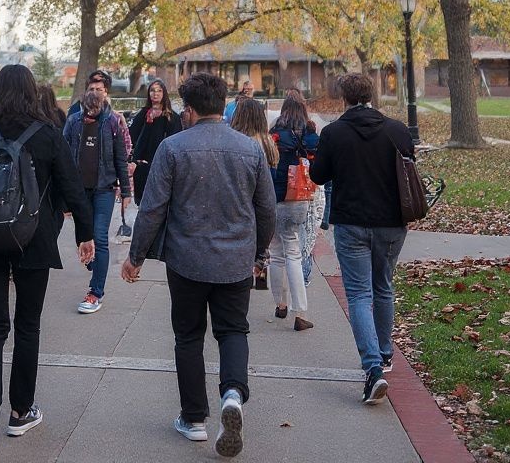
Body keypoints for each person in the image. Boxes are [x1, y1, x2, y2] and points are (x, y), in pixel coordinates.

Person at [120, 73, 276, 459]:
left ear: (188, 109)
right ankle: (233, 394)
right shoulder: (250, 149)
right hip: (236, 258)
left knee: (188, 337)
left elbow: (153, 208)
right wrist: (258, 253)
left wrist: (135, 256)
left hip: (187, 259)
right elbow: (266, 209)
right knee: (233, 330)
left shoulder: (173, 148)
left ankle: (193, 418)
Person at [0, 64, 95, 458]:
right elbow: (72, 187)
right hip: (33, 240)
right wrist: (85, 234)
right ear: (32, 91)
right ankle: (20, 410)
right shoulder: (47, 134)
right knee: (27, 326)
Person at [309, 72, 414, 406]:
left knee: (358, 293)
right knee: (383, 287)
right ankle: (384, 354)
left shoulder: (334, 133)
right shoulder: (397, 130)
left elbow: (318, 175)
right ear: (372, 95)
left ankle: (372, 368)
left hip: (352, 222)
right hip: (391, 222)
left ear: (344, 97)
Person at [63, 88, 132, 314]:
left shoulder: (112, 123)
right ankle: (93, 262)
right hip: (79, 190)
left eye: (94, 112)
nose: (89, 116)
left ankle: (95, 293)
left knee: (100, 238)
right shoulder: (73, 122)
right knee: (84, 237)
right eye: (87, 112)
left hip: (104, 188)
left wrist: (126, 191)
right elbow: (63, 154)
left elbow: (121, 158)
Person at [265, 94, 320, 331]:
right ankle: (300, 312)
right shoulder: (309, 133)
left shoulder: (275, 132)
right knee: (294, 253)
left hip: (275, 196)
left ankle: (280, 304)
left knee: (276, 253)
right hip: (299, 197)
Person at [128, 78, 182, 205]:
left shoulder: (172, 117)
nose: (155, 94)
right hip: (142, 165)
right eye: (152, 90)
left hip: (161, 165)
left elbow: (174, 142)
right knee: (142, 203)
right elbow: (132, 136)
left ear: (164, 94)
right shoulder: (142, 114)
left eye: (159, 91)